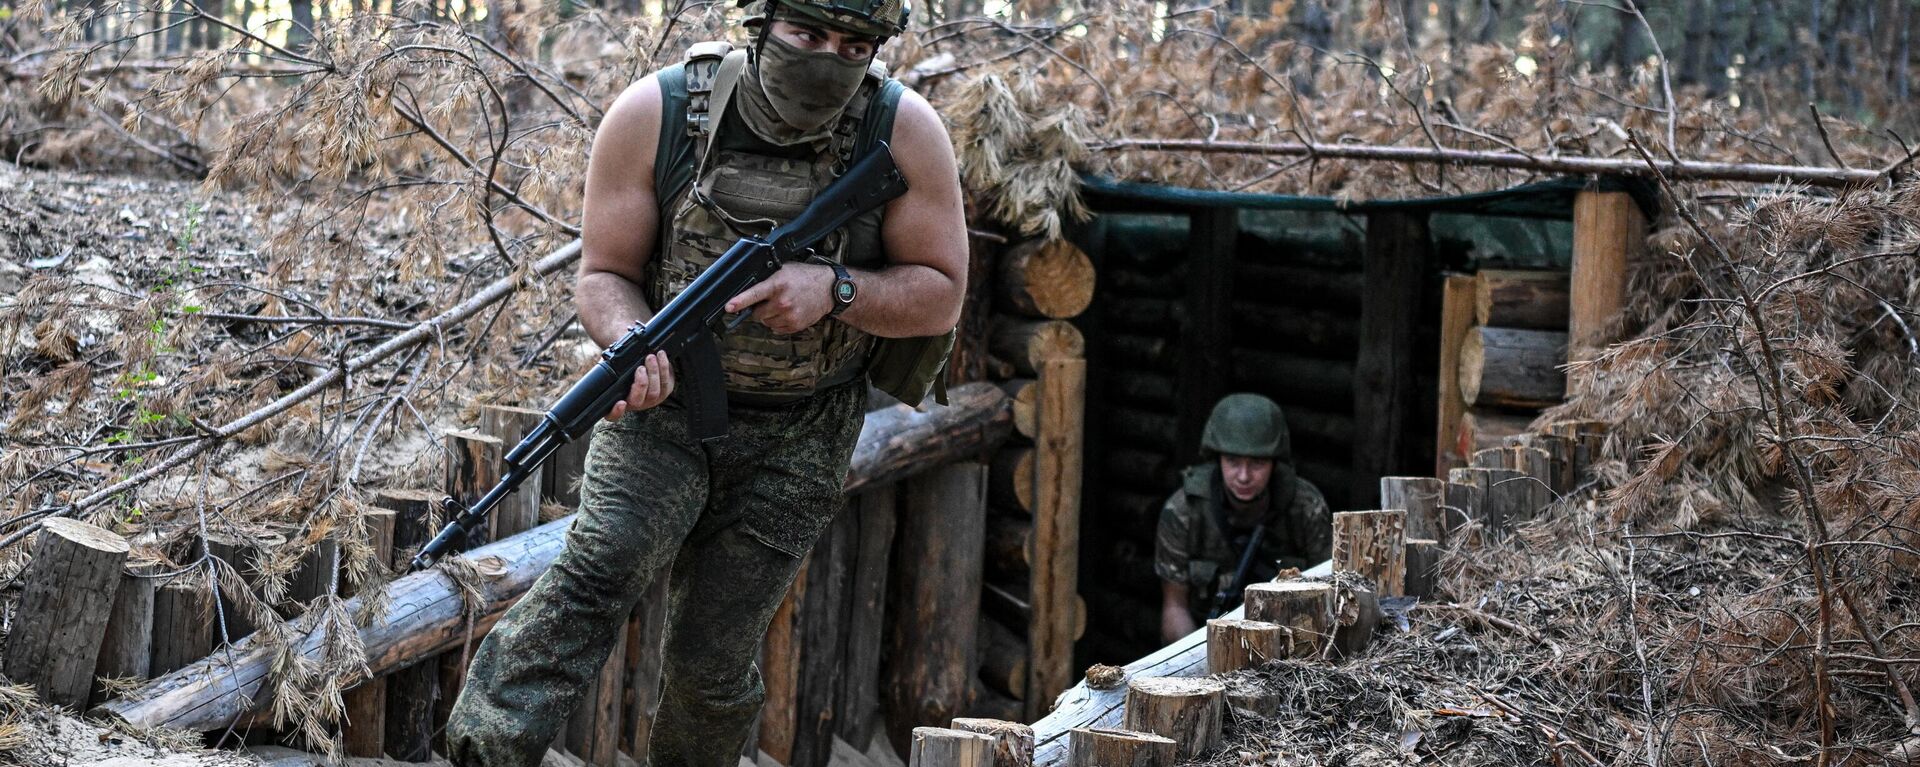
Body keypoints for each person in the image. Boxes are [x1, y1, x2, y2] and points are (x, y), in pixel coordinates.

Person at [442, 0, 967, 761]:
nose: (826, 57)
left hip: (805, 430)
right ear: (760, 24)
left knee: (713, 658)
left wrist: (836, 289)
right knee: (593, 579)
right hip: (666, 413)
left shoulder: (903, 130)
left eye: (853, 45)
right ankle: (482, 751)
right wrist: (633, 343)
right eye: (806, 35)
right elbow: (603, 275)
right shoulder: (658, 112)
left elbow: (942, 292)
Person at [1154, 393, 1332, 643]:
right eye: (1233, 461)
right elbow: (1175, 607)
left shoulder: (1306, 507)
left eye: (1257, 463)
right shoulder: (1184, 511)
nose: (1244, 476)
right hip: (1202, 647)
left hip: (1290, 649)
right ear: (1217, 458)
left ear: (1274, 462)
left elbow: (1330, 600)